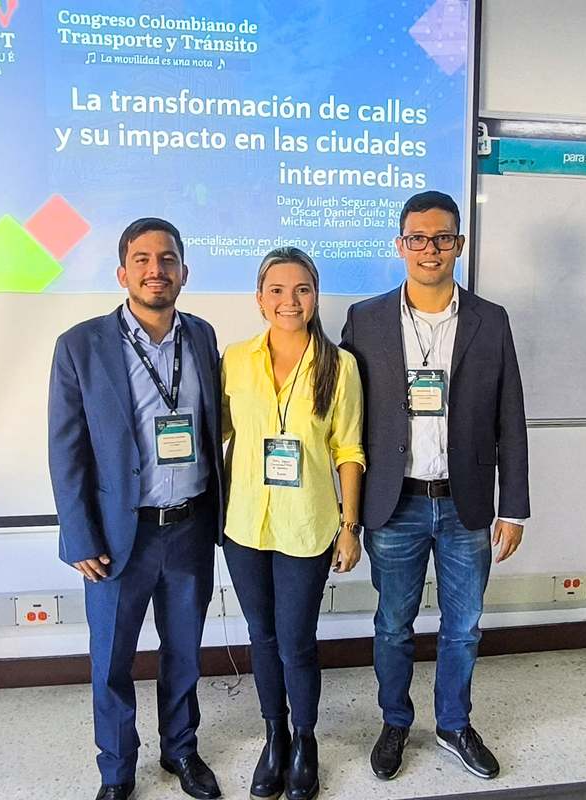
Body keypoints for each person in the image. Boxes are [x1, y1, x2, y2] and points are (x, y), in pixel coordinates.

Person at [340, 191, 530, 782]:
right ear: (401, 246)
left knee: (463, 625)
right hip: (392, 504)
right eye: (417, 238)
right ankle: (395, 720)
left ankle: (453, 723)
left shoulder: (489, 320)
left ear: (459, 245)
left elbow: (509, 416)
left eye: (442, 238)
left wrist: (515, 508)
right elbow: (346, 417)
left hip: (465, 503)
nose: (430, 249)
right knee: (393, 624)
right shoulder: (364, 319)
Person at [48, 218, 224, 800]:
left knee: (183, 653)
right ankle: (117, 769)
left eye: (168, 258)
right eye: (143, 259)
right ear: (122, 272)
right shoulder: (80, 345)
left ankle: (181, 750)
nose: (156, 269)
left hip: (190, 527)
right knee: (112, 662)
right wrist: (78, 535)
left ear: (183, 272)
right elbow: (65, 447)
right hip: (120, 537)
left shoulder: (201, 336)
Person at [221, 247, 366, 800]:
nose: (289, 300)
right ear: (259, 299)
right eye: (276, 290)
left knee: (296, 643)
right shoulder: (234, 359)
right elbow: (218, 436)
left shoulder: (339, 364)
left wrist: (350, 525)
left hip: (307, 523)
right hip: (245, 526)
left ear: (315, 296)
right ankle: (274, 736)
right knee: (262, 637)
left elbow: (349, 448)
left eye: (301, 289)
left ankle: (306, 740)